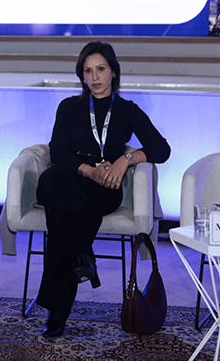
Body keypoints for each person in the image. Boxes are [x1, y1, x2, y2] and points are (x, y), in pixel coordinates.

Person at [35, 40, 170, 338]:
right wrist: (88, 170)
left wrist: (126, 160)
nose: (94, 77)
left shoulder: (127, 110)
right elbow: (57, 152)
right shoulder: (69, 106)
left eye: (100, 69)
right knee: (54, 182)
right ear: (81, 75)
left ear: (113, 72)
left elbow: (162, 149)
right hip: (69, 176)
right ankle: (81, 256)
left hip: (106, 186)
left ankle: (58, 307)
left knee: (63, 212)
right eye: (88, 71)